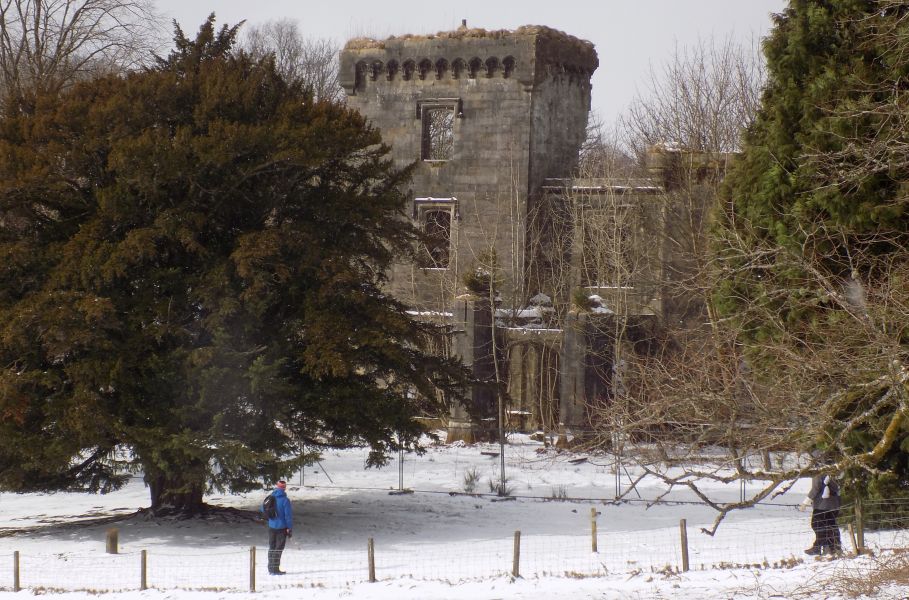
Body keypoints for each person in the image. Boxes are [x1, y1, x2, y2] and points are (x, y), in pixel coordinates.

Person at [801, 473, 842, 556]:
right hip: (835, 505)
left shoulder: (819, 473)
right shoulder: (835, 471)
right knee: (830, 526)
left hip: (822, 505)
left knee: (817, 526)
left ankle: (817, 547)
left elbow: (815, 489)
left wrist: (805, 503)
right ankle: (833, 547)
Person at [263, 480, 293, 575]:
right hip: (281, 528)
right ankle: (275, 569)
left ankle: (270, 568)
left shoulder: (270, 497)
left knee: (272, 547)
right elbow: (288, 516)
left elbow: (262, 508)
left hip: (271, 526)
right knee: (278, 548)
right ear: (284, 488)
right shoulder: (285, 500)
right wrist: (289, 528)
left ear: (276, 487)